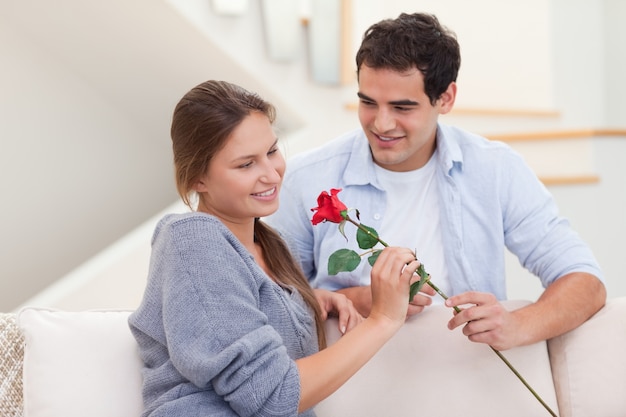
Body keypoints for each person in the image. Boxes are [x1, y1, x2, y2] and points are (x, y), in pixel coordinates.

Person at [266, 12, 606, 351]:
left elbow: (585, 282)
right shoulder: (308, 177)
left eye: (402, 107)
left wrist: (518, 324)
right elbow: (264, 299)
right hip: (349, 380)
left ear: (445, 98)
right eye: (368, 102)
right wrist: (354, 299)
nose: (381, 124)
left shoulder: (495, 169)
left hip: (469, 374)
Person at [128, 80, 422, 416]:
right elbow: (272, 397)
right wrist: (383, 319)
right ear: (198, 179)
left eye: (271, 151)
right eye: (245, 164)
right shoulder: (192, 240)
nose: (271, 174)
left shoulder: (271, 245)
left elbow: (235, 313)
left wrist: (307, 301)